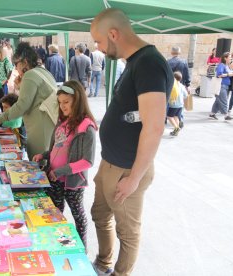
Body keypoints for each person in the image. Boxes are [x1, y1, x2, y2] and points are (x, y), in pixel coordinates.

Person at [90, 8, 173, 276]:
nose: (98, 48)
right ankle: (103, 263)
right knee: (100, 215)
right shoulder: (136, 61)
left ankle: (119, 273)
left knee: (128, 231)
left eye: (99, 41)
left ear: (113, 34)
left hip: (127, 168)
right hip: (111, 162)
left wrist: (134, 178)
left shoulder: (148, 63)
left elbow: (154, 126)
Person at [32, 80, 97, 250]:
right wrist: (43, 155)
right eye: (60, 103)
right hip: (54, 178)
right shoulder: (63, 122)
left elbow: (87, 161)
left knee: (78, 216)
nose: (62, 107)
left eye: (66, 102)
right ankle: (57, 246)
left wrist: (62, 170)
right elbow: (56, 148)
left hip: (72, 183)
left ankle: (82, 249)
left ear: (78, 100)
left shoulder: (86, 127)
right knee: (54, 213)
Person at [0, 42, 56, 159]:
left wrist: (0, 118)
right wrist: (20, 86)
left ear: (25, 62)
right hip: (48, 124)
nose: (15, 68)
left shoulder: (30, 75)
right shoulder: (43, 71)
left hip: (40, 127)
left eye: (16, 64)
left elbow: (22, 105)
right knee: (45, 157)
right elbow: (34, 97)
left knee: (38, 161)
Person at [167, 46, 190, 128]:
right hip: (181, 85)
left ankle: (169, 118)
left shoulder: (168, 62)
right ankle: (180, 120)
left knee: (170, 103)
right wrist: (188, 85)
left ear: (171, 52)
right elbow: (187, 74)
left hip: (171, 86)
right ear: (179, 53)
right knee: (180, 105)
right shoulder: (184, 62)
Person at [209, 52, 233, 120]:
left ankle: (212, 113)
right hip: (221, 85)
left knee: (218, 100)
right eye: (230, 57)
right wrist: (229, 74)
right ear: (225, 58)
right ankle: (226, 115)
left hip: (225, 86)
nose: (231, 58)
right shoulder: (221, 65)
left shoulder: (226, 66)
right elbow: (219, 75)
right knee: (224, 100)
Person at [0, 45, 13, 111]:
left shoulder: (6, 61)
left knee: (4, 104)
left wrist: (6, 80)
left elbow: (10, 70)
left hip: (3, 87)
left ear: (1, 53)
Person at [167, 71, 188, 136]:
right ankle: (176, 130)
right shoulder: (182, 86)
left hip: (174, 104)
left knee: (169, 116)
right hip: (181, 105)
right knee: (176, 117)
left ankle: (176, 128)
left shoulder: (173, 85)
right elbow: (186, 95)